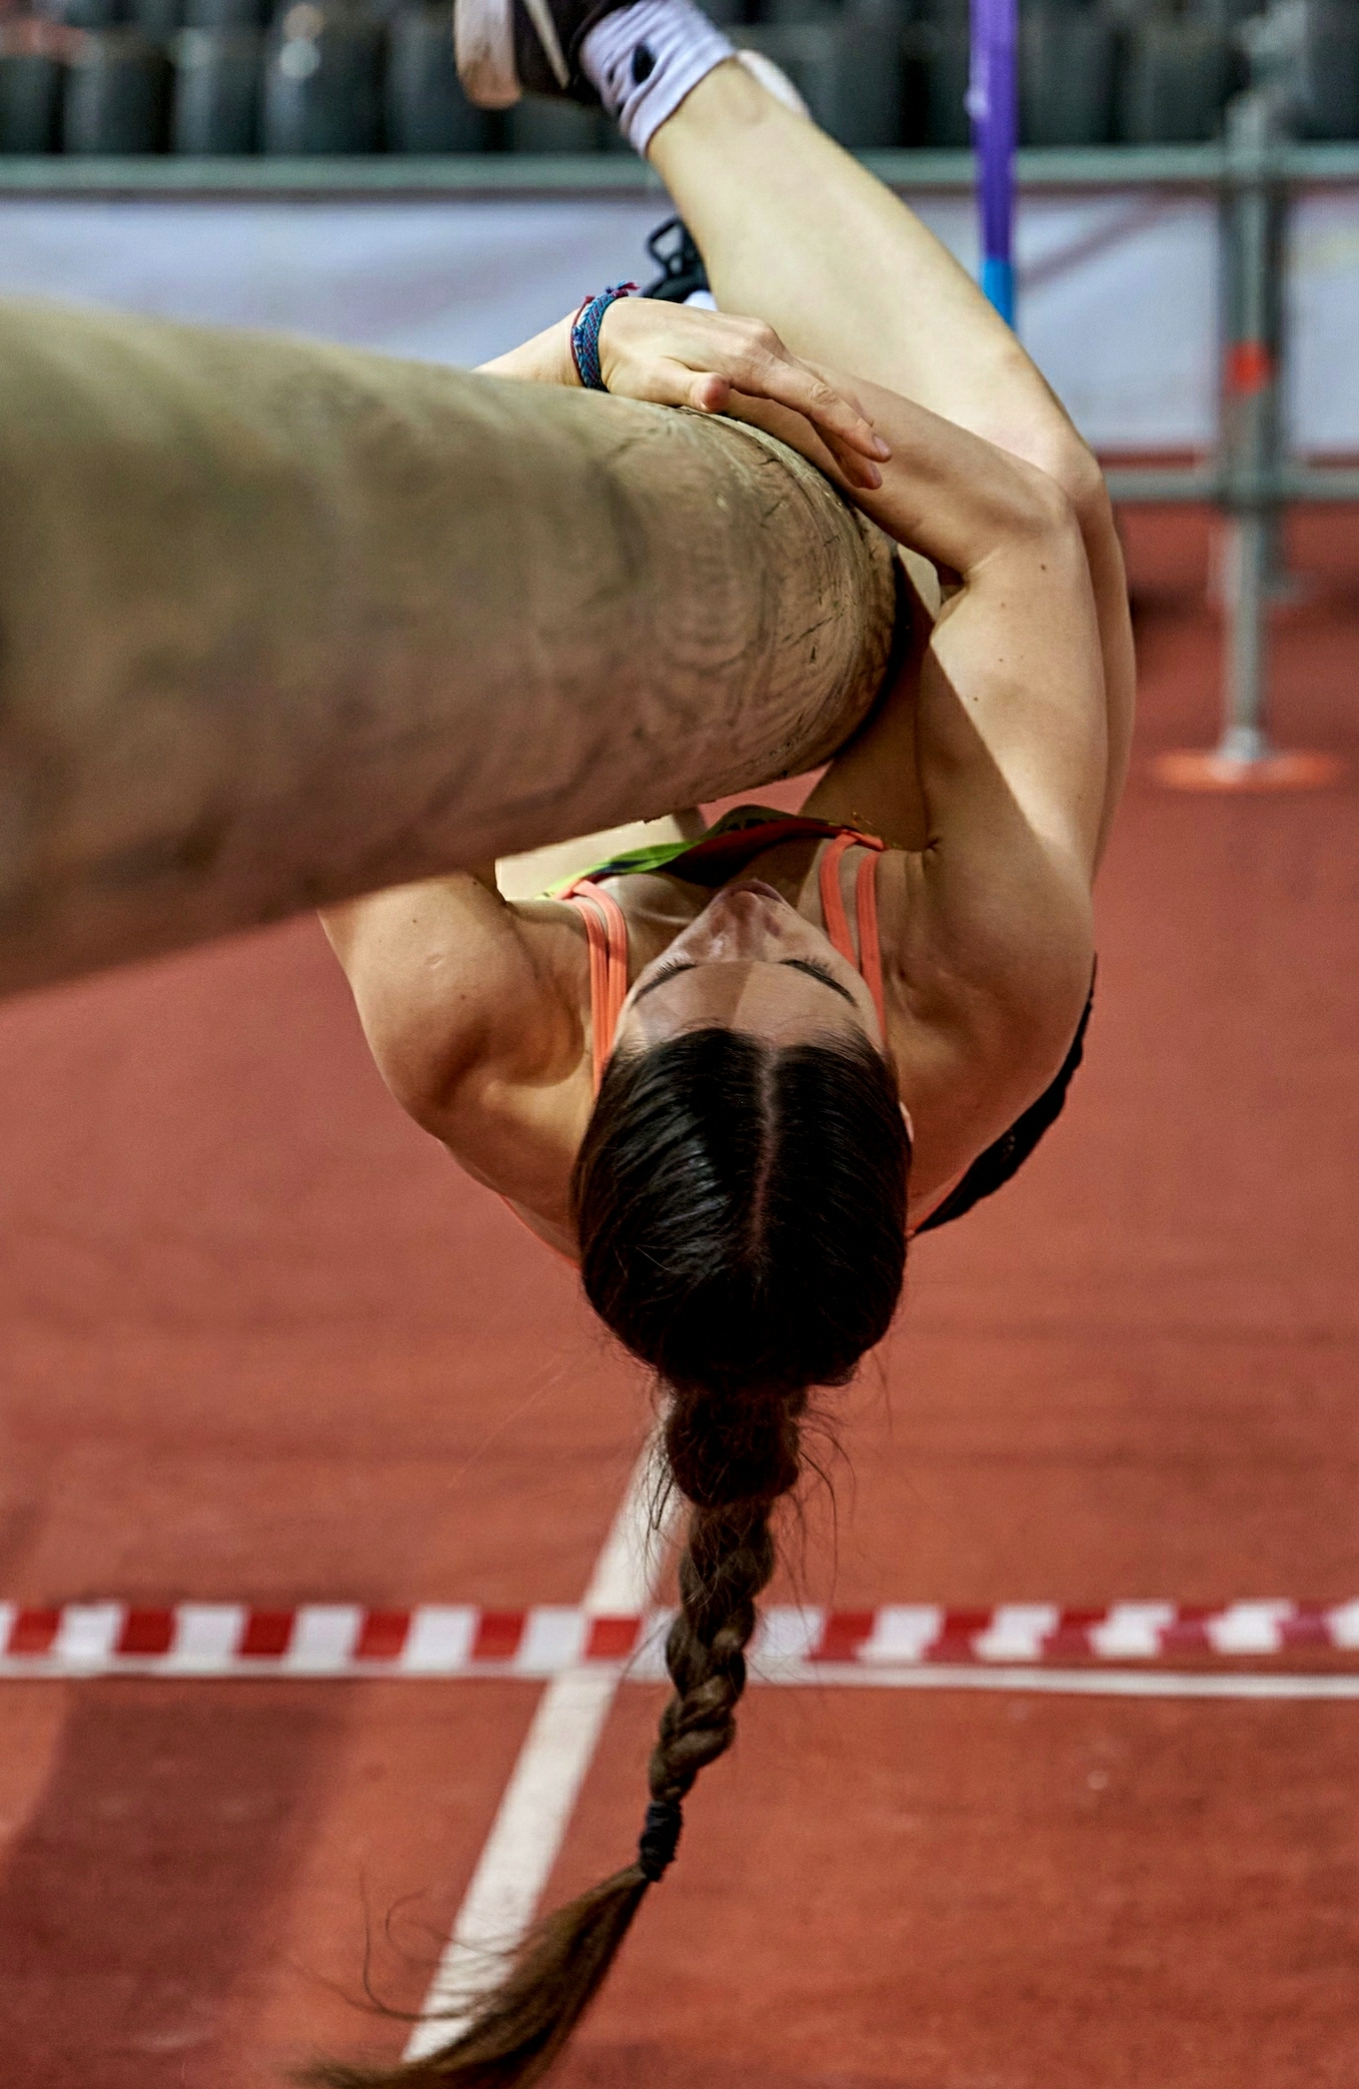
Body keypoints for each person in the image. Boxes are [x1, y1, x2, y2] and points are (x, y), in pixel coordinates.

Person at [314, 5, 1133, 2079]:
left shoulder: (471, 1026)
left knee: (501, 618)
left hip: (591, 880)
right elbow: (1023, 537)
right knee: (1041, 479)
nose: (754, 911)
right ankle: (645, 45)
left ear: (611, 1047)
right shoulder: (984, 979)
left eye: (703, 962)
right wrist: (795, 397)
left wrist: (600, 353)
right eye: (802, 961)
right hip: (905, 918)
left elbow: (341, 551)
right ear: (884, 1056)